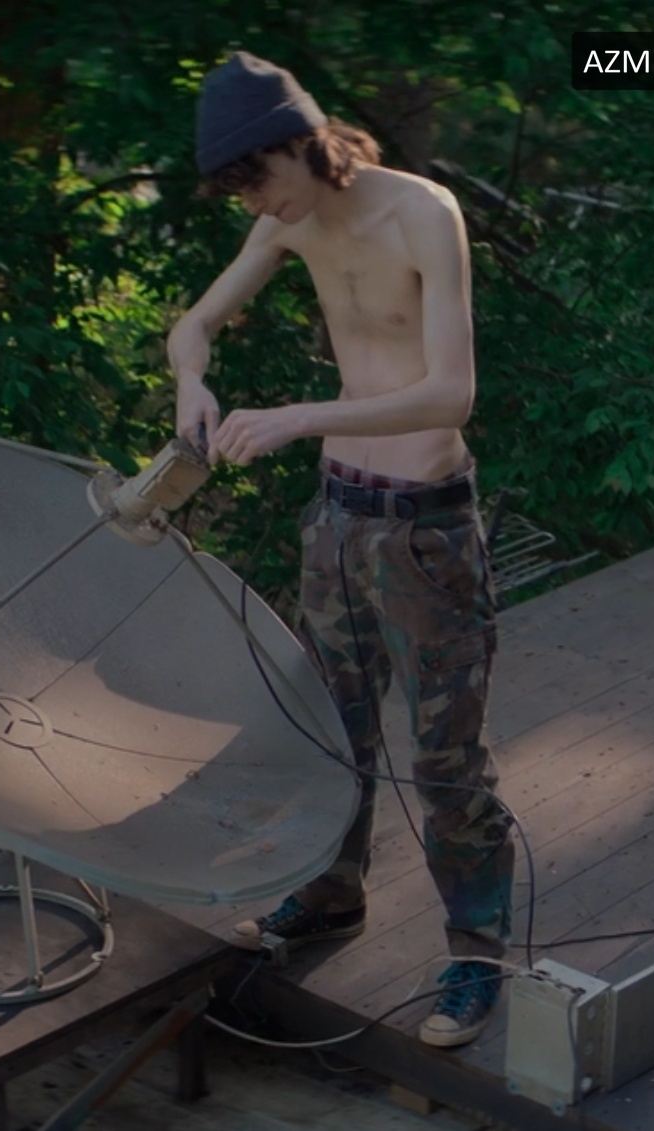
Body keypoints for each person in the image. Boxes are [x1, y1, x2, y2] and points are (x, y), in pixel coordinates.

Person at [168, 51, 514, 1048]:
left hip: (424, 528)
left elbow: (452, 393)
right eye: (241, 192)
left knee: (444, 754)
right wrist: (192, 380)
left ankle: (477, 949)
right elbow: (193, 323)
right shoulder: (287, 219)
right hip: (336, 519)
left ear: (302, 144)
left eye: (258, 180)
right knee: (328, 729)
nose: (256, 205)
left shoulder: (422, 214)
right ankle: (329, 894)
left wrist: (298, 416)